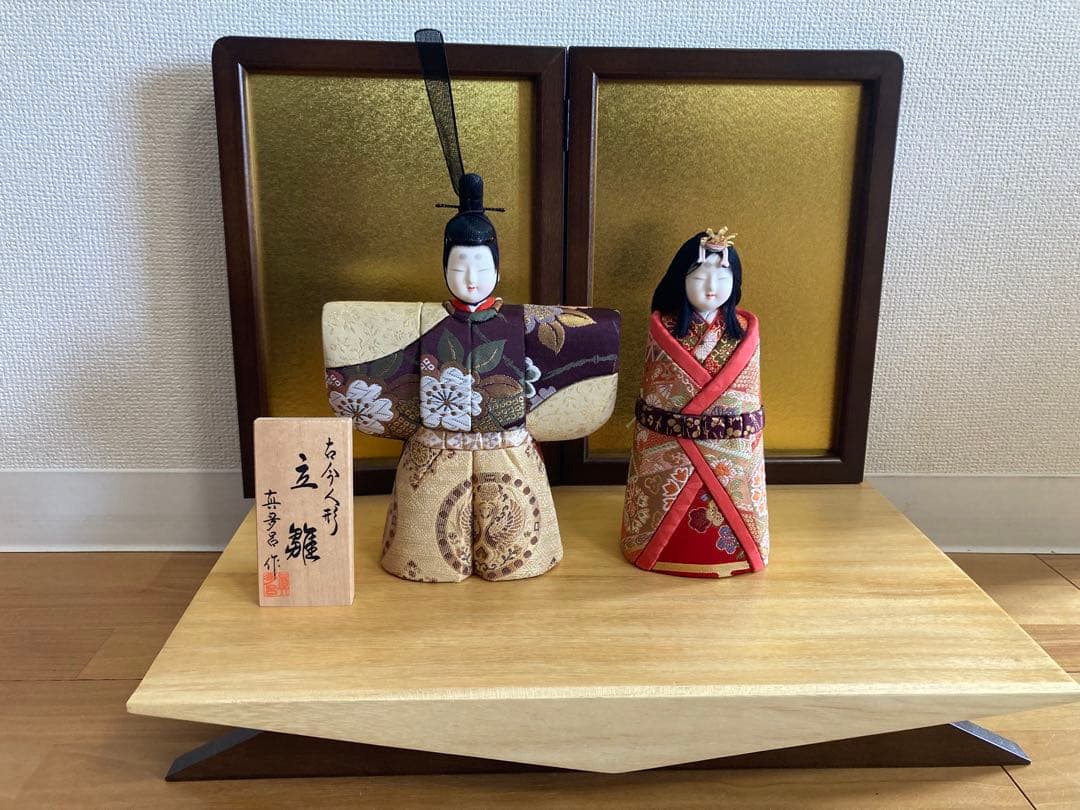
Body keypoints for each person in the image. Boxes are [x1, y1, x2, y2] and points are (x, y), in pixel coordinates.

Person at [620, 228, 770, 578]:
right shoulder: (664, 327)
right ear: (681, 280)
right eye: (699, 277)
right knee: (664, 511)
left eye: (723, 277)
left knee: (729, 505)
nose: (711, 287)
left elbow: (744, 394)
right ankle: (654, 550)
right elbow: (658, 390)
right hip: (670, 446)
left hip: (731, 448)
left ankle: (741, 552)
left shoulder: (744, 330)